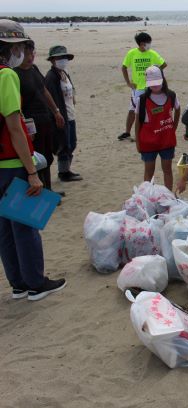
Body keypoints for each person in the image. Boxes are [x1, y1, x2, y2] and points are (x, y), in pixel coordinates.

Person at [0, 19, 66, 300]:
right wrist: (31, 171)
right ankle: (35, 284)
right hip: (12, 163)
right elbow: (14, 127)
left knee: (5, 230)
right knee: (24, 226)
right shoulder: (6, 76)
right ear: (11, 47)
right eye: (20, 46)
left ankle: (17, 283)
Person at [14, 40, 65, 191]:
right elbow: (17, 105)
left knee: (47, 157)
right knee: (36, 158)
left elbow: (44, 90)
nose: (30, 57)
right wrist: (26, 130)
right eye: (27, 54)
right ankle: (40, 189)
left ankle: (48, 189)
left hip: (45, 119)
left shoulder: (34, 69)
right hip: (30, 123)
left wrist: (56, 111)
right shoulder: (14, 73)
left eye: (32, 53)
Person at [134, 66, 180, 191]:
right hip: (148, 142)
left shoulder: (171, 95)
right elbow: (137, 122)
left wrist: (173, 128)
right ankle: (147, 195)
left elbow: (178, 109)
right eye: (152, 84)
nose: (155, 86)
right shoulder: (142, 100)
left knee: (167, 170)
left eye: (157, 83)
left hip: (167, 141)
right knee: (149, 172)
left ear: (163, 80)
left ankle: (169, 195)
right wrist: (138, 142)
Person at [118, 32, 167, 141]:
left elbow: (163, 64)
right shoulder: (132, 53)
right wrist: (128, 83)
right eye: (148, 42)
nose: (149, 44)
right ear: (141, 44)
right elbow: (124, 67)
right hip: (137, 88)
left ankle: (143, 133)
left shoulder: (152, 53)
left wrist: (154, 74)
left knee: (147, 111)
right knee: (132, 110)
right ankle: (127, 132)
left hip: (149, 88)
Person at [44, 45, 82, 182]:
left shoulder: (64, 73)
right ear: (53, 60)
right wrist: (57, 113)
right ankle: (64, 172)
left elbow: (70, 91)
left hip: (70, 113)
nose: (63, 60)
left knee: (72, 142)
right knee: (64, 144)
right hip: (61, 115)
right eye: (59, 57)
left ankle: (66, 169)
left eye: (64, 57)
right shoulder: (51, 76)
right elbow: (50, 97)